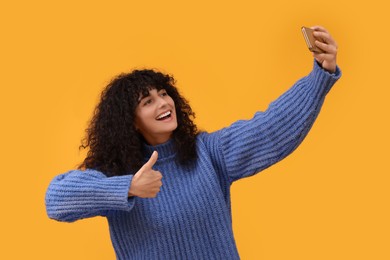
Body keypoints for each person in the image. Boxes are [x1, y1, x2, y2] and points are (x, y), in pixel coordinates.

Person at [45, 26, 341, 259]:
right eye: (148, 101)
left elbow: (270, 128)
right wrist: (128, 188)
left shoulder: (209, 153)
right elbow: (55, 200)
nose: (163, 103)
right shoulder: (118, 174)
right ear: (131, 121)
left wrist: (321, 75)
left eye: (164, 93)